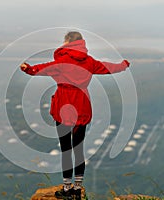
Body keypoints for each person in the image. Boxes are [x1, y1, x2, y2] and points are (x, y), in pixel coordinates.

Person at [20, 31, 130, 199]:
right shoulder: (89, 62)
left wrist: (28, 68)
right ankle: (77, 189)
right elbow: (109, 67)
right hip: (82, 106)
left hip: (63, 108)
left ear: (67, 42)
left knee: (66, 150)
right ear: (81, 43)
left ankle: (66, 189)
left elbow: (41, 69)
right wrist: (123, 65)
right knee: (78, 149)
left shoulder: (61, 61)